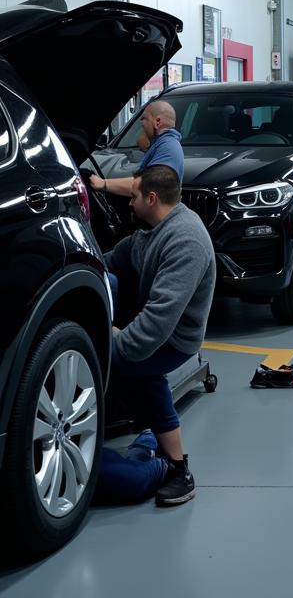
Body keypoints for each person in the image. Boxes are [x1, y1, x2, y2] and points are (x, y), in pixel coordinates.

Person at [104, 164, 216, 506]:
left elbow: (156, 324)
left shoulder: (186, 241)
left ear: (152, 198)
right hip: (153, 326)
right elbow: (116, 257)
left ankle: (180, 470)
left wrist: (110, 346)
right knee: (142, 375)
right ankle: (156, 443)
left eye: (134, 196)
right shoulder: (152, 230)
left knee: (142, 372)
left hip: (174, 340)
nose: (129, 202)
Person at [91, 99, 184, 197]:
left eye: (144, 118)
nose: (141, 122)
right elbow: (142, 143)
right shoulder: (160, 144)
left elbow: (149, 184)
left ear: (157, 122)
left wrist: (103, 183)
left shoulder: (168, 146)